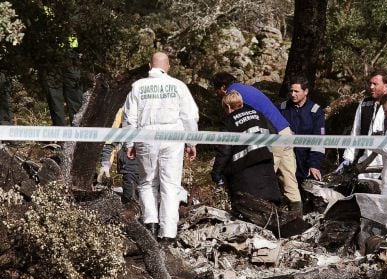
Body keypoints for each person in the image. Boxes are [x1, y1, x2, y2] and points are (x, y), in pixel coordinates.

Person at [124, 52, 199, 241]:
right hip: (173, 136)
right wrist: (191, 142)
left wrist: (129, 142)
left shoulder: (138, 86)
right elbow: (189, 116)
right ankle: (168, 233)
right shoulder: (178, 86)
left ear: (150, 66)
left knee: (148, 181)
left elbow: (129, 117)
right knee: (170, 184)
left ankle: (150, 224)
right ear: (168, 67)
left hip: (146, 135)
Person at [210, 72, 302, 212]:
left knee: (265, 179)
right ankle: (297, 215)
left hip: (273, 135)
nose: (218, 95)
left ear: (223, 87)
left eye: (217, 91)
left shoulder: (235, 96)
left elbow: (244, 122)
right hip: (285, 130)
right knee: (289, 179)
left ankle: (269, 219)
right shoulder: (248, 89)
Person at [212, 91, 282, 209]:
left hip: (245, 176)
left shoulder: (229, 122)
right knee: (271, 209)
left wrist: (216, 173)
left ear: (228, 107)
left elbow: (224, 151)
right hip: (266, 169)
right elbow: (274, 132)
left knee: (250, 211)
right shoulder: (258, 114)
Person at [336, 70, 387, 177]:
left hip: (384, 166)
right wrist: (348, 158)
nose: (371, 87)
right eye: (370, 83)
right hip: (363, 163)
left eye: (375, 84)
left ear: (385, 86)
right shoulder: (364, 104)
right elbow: (355, 132)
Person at [279, 76, 326, 194]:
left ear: (306, 92)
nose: (293, 94)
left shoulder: (315, 111)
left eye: (296, 91)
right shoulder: (283, 108)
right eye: (291, 91)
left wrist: (314, 164)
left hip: (306, 161)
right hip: (287, 158)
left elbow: (319, 141)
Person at [39, 6, 82, 126]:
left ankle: (78, 134)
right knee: (55, 101)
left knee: (76, 100)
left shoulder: (73, 8)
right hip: (50, 61)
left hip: (72, 59)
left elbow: (81, 29)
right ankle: (61, 137)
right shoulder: (41, 9)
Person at [97, 107, 140, 204]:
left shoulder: (153, 126)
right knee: (130, 202)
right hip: (129, 173)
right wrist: (105, 165)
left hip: (149, 174)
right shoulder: (124, 127)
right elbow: (109, 145)